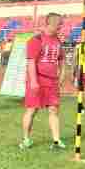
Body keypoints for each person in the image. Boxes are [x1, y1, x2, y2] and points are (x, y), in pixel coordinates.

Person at [19, 13, 66, 150]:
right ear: (50, 23)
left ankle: (56, 141)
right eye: (59, 24)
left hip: (52, 82)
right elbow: (31, 62)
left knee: (54, 110)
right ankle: (26, 139)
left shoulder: (58, 41)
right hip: (38, 80)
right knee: (32, 110)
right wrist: (33, 81)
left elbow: (61, 60)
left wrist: (62, 75)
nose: (61, 27)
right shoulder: (36, 40)